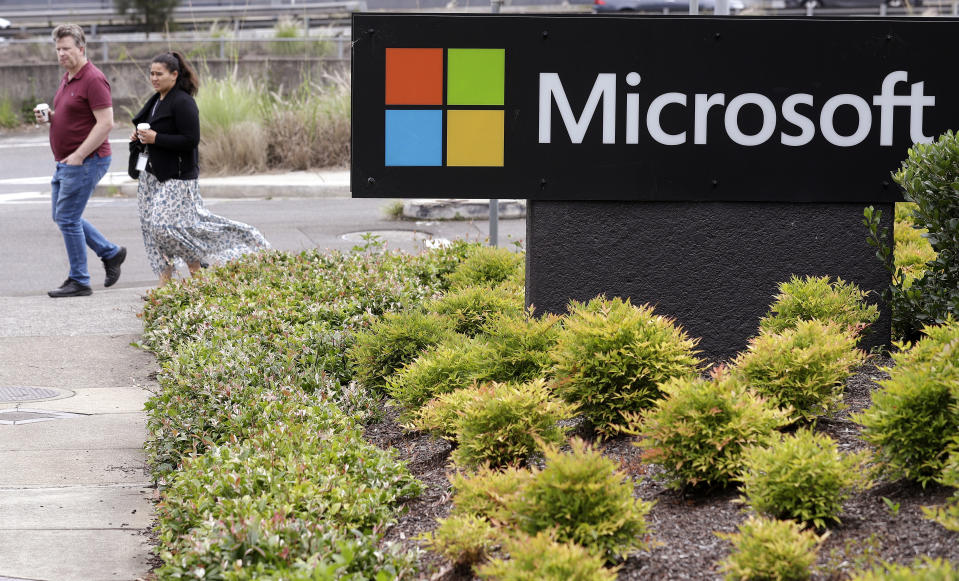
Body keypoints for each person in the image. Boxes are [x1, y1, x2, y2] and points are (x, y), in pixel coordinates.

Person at [131, 51, 270, 286]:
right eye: (151, 74)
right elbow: (150, 133)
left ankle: (224, 249)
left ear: (174, 75)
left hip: (177, 178)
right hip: (151, 176)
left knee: (164, 226)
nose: (154, 78)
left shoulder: (183, 102)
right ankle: (166, 283)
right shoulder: (156, 101)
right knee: (150, 229)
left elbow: (190, 140)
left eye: (159, 74)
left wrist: (157, 138)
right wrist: (139, 137)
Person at [38, 23, 126, 298]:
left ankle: (79, 279)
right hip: (67, 160)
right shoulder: (68, 77)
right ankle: (110, 253)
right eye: (58, 49)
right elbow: (75, 115)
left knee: (66, 218)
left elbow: (105, 123)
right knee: (62, 216)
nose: (61, 54)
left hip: (87, 160)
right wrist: (51, 117)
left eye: (66, 49)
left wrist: (78, 155)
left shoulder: (93, 79)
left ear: (81, 48)